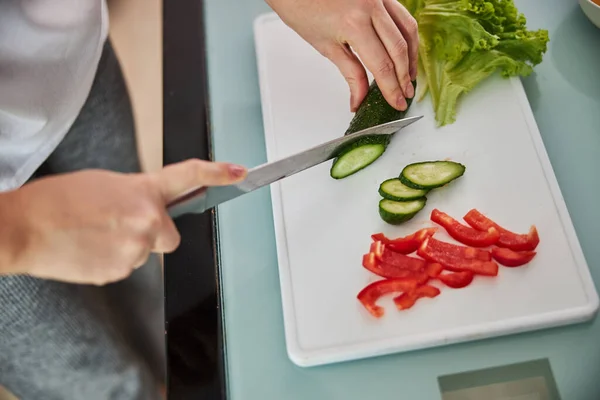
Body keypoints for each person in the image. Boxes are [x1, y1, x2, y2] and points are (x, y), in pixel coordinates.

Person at [0, 0, 418, 398]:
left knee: (136, 265)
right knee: (88, 377)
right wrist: (23, 229)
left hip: (65, 57)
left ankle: (158, 360)